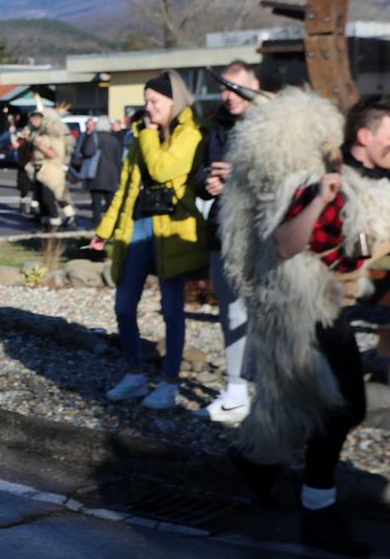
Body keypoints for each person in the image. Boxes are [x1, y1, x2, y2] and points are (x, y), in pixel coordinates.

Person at [223, 94, 390, 557]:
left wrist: (366, 249)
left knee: (323, 408)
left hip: (331, 306)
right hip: (300, 312)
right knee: (339, 409)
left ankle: (257, 466)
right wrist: (323, 198)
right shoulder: (313, 182)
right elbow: (286, 244)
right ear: (365, 137)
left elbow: (355, 247)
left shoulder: (372, 185)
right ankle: (316, 511)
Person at [91, 71, 208, 411]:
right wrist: (105, 229)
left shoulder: (191, 134)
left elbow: (161, 168)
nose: (148, 108)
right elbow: (126, 188)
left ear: (174, 101)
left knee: (172, 310)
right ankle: (134, 374)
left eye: (154, 101)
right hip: (138, 225)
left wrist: (147, 136)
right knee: (124, 305)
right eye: (146, 102)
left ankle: (169, 383)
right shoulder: (145, 134)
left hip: (173, 230)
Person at [191, 61, 261, 424]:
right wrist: (209, 183)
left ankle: (267, 392)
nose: (228, 95)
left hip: (261, 234)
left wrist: (241, 176)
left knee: (264, 315)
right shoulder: (216, 126)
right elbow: (200, 172)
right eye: (224, 88)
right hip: (222, 230)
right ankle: (235, 390)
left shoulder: (271, 127)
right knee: (230, 311)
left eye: (236, 87)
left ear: (255, 85)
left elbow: (288, 176)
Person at [85, 116, 124, 228]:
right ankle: (109, 223)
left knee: (96, 201)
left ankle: (96, 222)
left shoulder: (94, 138)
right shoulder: (114, 140)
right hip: (111, 174)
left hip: (95, 173)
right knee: (110, 201)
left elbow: (87, 152)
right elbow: (118, 158)